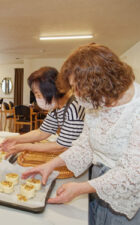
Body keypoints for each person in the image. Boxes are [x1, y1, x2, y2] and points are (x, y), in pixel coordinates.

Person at [22, 43, 140, 225]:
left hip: (124, 190)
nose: (76, 95)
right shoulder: (98, 101)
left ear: (100, 84)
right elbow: (85, 145)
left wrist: (81, 188)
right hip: (97, 181)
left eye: (78, 88)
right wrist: (51, 165)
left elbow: (133, 172)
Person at [0, 67, 85, 157]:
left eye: (38, 94)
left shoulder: (74, 108)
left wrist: (24, 147)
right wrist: (15, 139)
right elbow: (42, 132)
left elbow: (61, 146)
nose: (37, 99)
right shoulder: (56, 107)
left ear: (50, 92)